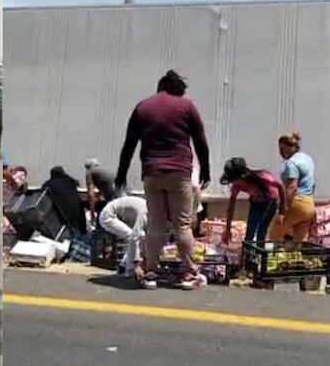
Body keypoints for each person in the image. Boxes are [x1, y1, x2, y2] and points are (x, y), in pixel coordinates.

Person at [115, 69, 211, 291]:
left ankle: (150, 272)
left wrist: (121, 173)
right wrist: (205, 170)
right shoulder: (186, 106)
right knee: (182, 224)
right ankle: (189, 273)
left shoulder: (143, 107)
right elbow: (200, 141)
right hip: (179, 172)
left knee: (156, 224)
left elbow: (129, 144)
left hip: (151, 172)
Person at [220, 157, 284, 245]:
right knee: (250, 229)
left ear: (242, 176)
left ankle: (261, 253)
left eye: (234, 179)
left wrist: (282, 211)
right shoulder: (236, 186)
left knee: (261, 230)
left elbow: (280, 187)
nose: (233, 183)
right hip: (256, 203)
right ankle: (247, 253)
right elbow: (231, 206)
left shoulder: (263, 177)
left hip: (270, 201)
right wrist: (228, 229)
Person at [269, 132, 317, 242]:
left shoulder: (292, 163)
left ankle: (271, 257)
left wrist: (283, 209)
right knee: (299, 241)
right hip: (309, 204)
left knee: (274, 235)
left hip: (296, 202)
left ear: (292, 147)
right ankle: (297, 258)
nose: (280, 152)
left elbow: (292, 187)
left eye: (283, 148)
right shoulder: (308, 159)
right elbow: (313, 183)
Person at [98, 194, 149, 281]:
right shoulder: (145, 212)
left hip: (119, 215)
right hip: (108, 215)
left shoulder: (149, 210)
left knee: (139, 237)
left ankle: (123, 265)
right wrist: (137, 263)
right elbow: (135, 237)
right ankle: (129, 270)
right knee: (131, 236)